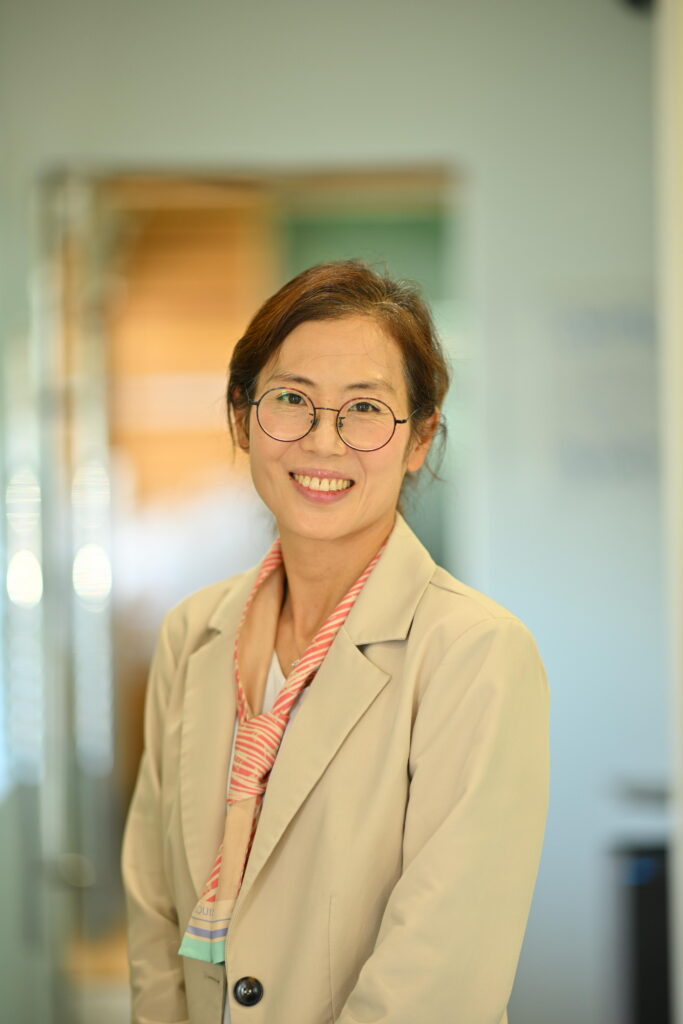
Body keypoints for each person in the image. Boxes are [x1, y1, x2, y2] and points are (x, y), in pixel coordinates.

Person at [121, 259, 550, 1024]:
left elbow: (440, 971)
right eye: (290, 400)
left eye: (363, 409)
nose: (322, 441)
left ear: (419, 437)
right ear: (240, 418)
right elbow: (153, 910)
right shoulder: (192, 634)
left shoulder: (474, 653)